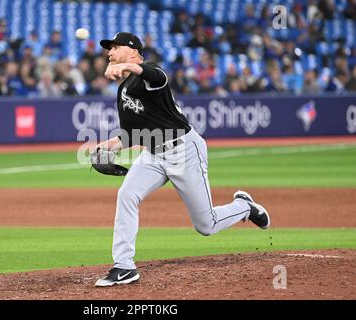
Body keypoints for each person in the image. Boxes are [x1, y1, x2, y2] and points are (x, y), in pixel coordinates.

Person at [94, 32, 271, 287]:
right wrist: (112, 144)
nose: (109, 53)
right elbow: (133, 132)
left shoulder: (150, 73)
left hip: (184, 151)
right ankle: (124, 266)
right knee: (127, 195)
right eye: (108, 50)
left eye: (115, 48)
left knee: (206, 225)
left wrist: (128, 66)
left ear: (133, 51)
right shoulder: (124, 90)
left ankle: (244, 207)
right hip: (154, 154)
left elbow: (159, 77)